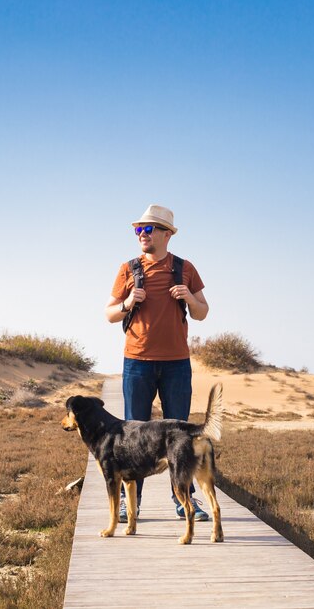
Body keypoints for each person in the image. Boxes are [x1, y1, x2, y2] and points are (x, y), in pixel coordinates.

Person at [105, 204, 210, 522]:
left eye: (148, 229)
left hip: (177, 364)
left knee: (180, 436)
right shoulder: (129, 268)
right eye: (138, 230)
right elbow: (109, 314)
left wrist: (189, 298)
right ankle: (128, 503)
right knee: (131, 436)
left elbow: (203, 311)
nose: (141, 235)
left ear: (166, 234)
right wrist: (127, 302)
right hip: (137, 362)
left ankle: (184, 501)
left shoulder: (185, 268)